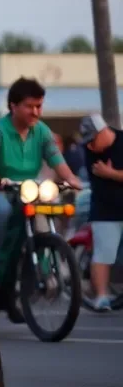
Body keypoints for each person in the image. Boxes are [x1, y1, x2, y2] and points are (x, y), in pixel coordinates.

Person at [0, 78, 83, 292]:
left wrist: (73, 180)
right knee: (2, 210)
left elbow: (56, 159)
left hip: (25, 191)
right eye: (29, 106)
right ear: (13, 106)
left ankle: (42, 270)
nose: (35, 112)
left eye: (39, 106)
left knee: (46, 209)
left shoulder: (42, 131)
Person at [78, 113, 123, 312]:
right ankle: (102, 296)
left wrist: (111, 174)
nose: (89, 146)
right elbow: (98, 177)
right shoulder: (90, 152)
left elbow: (105, 175)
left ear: (104, 131)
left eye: (92, 140)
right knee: (103, 254)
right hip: (105, 209)